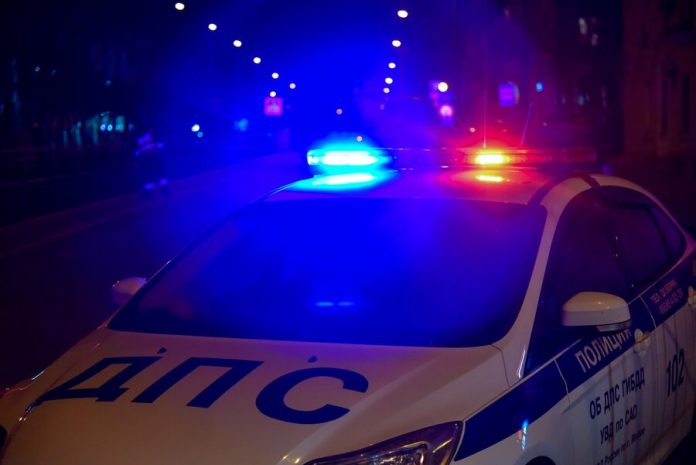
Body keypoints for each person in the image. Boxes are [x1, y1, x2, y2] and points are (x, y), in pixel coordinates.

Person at [133, 129, 168, 196]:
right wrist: (139, 152)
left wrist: (158, 146)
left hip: (154, 156)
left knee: (159, 171)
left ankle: (163, 187)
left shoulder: (151, 134)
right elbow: (136, 152)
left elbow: (159, 144)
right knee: (148, 174)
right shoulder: (138, 138)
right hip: (146, 159)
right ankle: (150, 189)